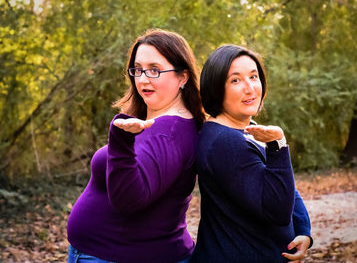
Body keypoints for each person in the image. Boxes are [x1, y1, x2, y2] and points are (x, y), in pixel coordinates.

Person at [67, 29, 205, 263]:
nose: (142, 78)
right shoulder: (169, 124)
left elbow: (129, 199)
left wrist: (120, 139)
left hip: (116, 255)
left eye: (154, 70)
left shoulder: (168, 133)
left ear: (183, 77)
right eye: (138, 69)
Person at [189, 45, 312, 263]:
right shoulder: (226, 142)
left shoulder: (244, 130)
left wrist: (303, 229)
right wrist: (278, 146)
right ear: (216, 88)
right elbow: (276, 210)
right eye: (235, 80)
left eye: (254, 77)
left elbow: (285, 188)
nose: (250, 88)